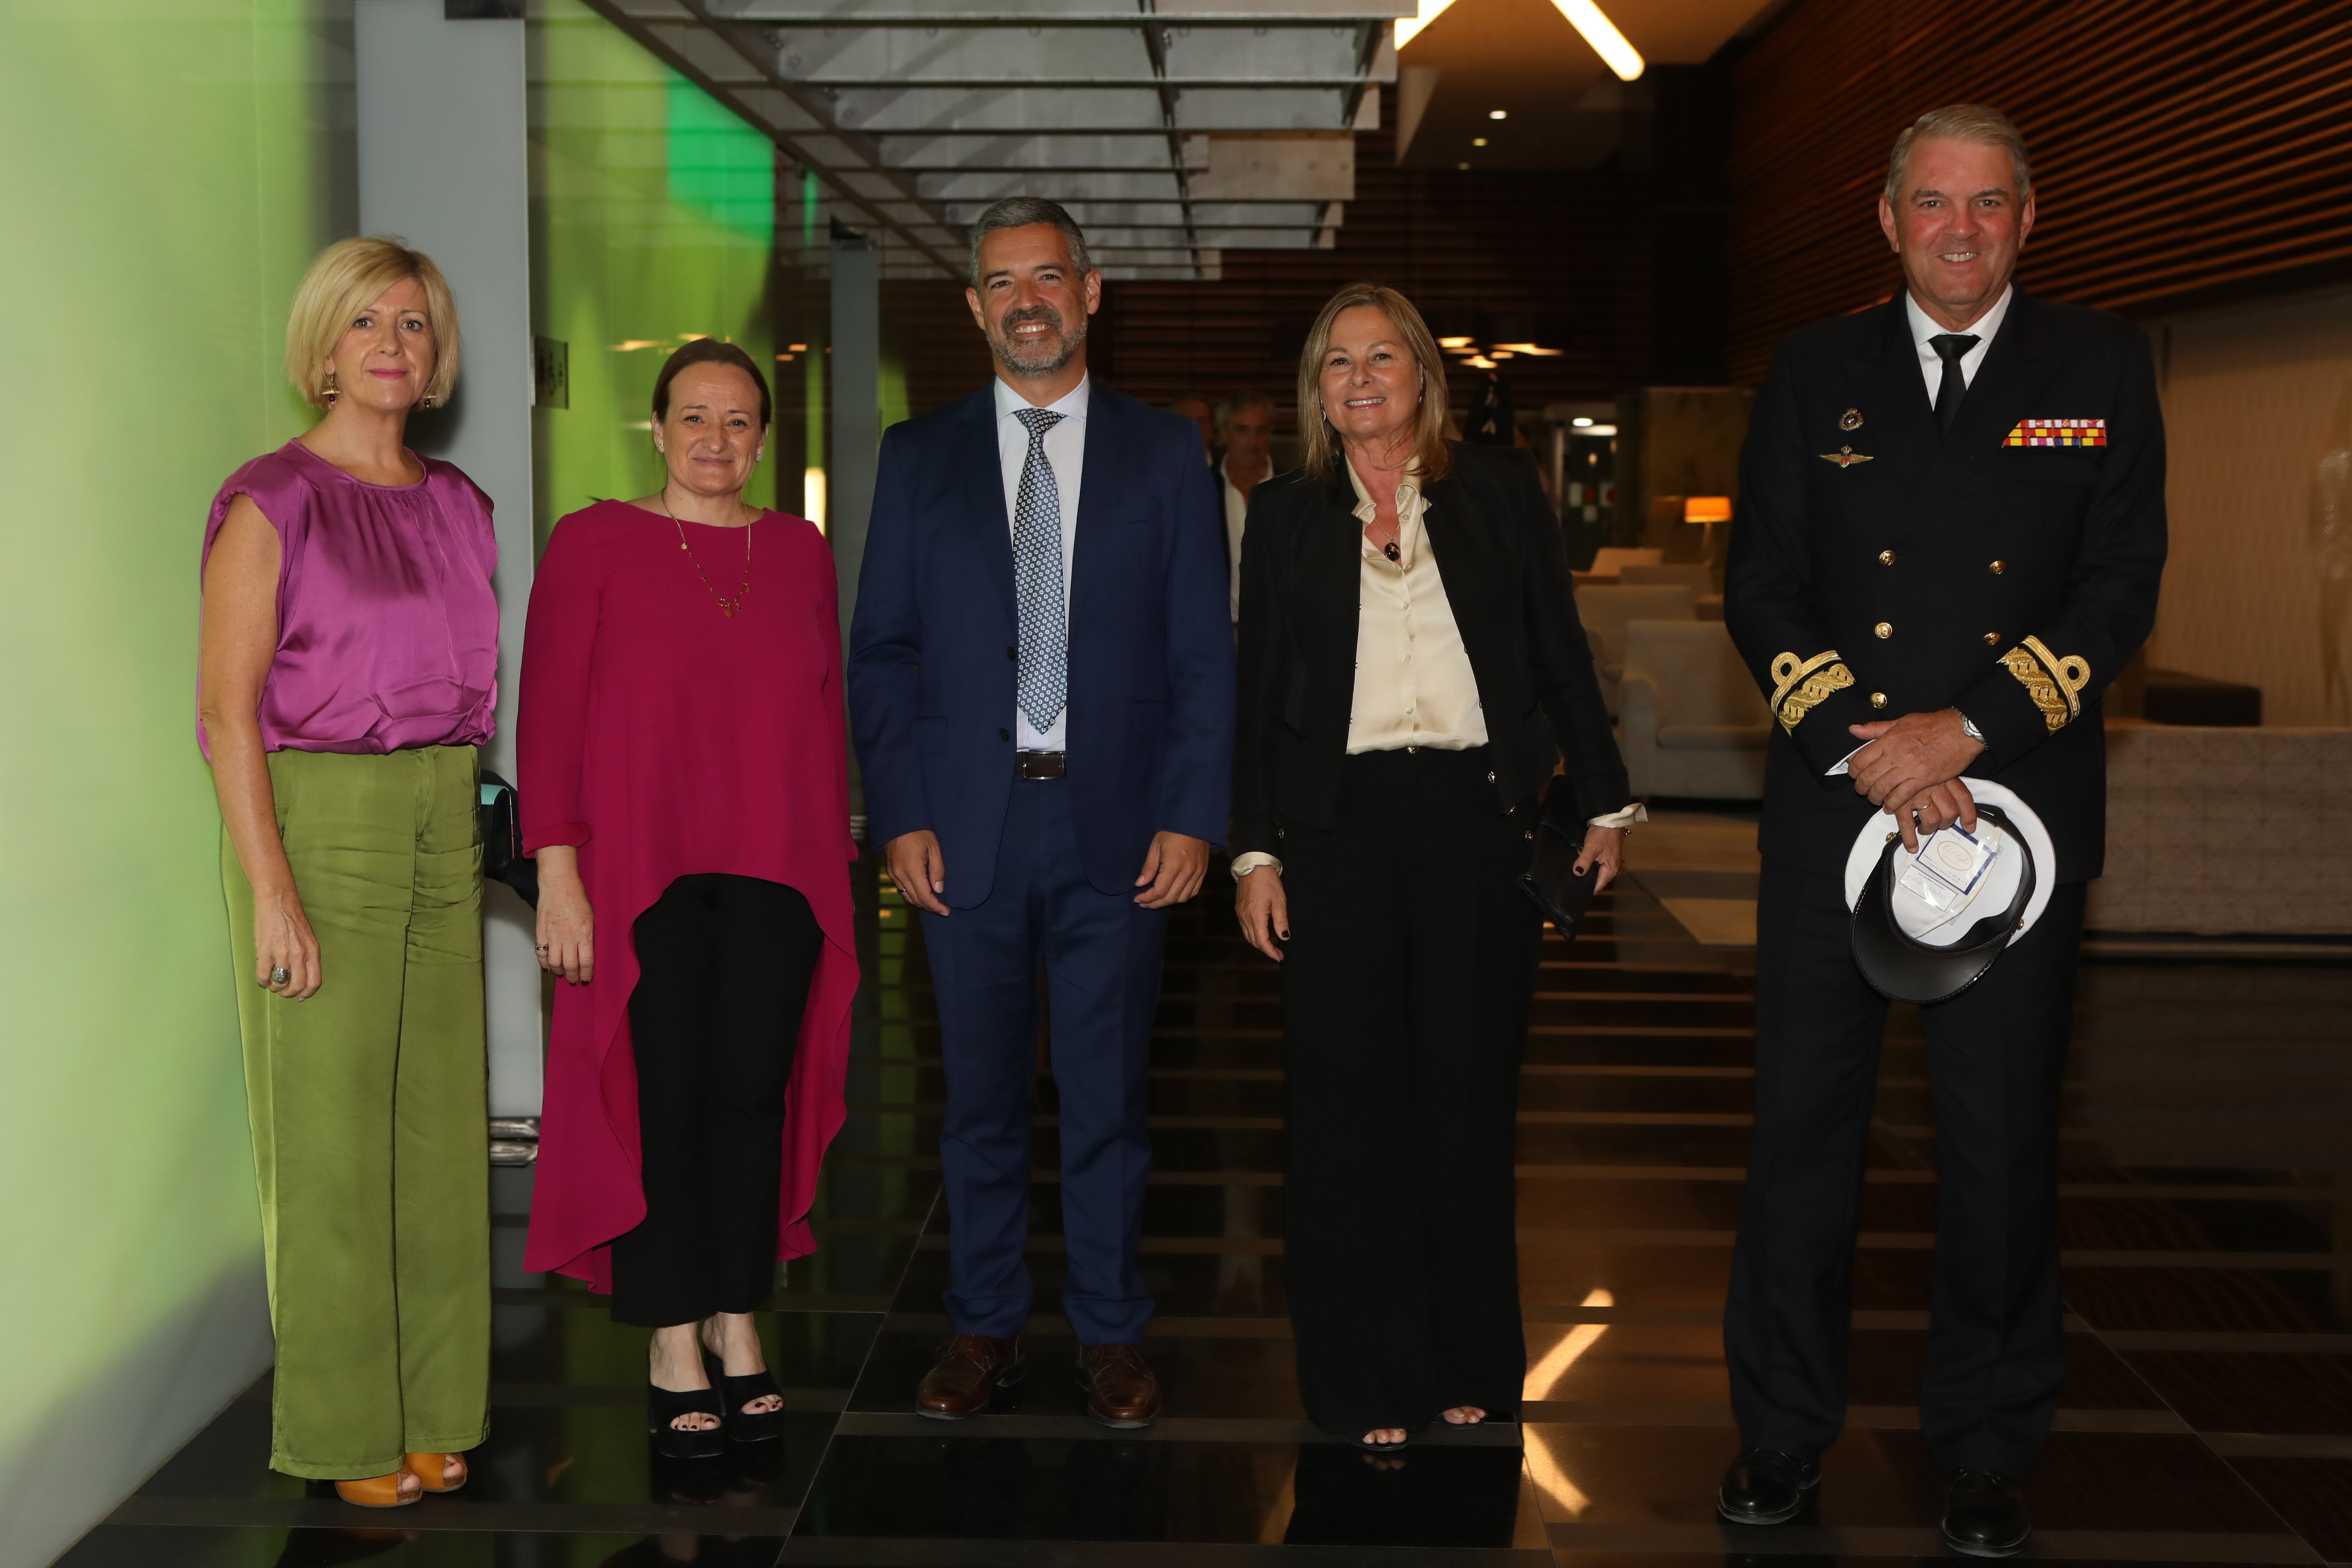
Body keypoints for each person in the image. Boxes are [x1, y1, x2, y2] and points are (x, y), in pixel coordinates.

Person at [1718, 105, 2165, 1556]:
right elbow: (1763, 588)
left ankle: (1985, 1448)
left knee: (1999, 1148)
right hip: (1837, 809)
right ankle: (1782, 1434)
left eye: (1988, 204)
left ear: (2029, 219)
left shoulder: (2098, 367)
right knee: (1801, 1145)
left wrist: (1963, 733)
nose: (1959, 228)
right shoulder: (1811, 371)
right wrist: (1874, 746)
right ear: (1889, 219)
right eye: (1933, 204)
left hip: (2009, 820)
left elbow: (2119, 587)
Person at [1231, 282, 1643, 1451]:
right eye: (1336, 364)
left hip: (1476, 821)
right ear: (1318, 390)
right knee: (1342, 1113)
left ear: (1423, 373)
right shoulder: (1284, 515)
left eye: (1382, 358)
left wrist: (1608, 805)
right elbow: (1257, 694)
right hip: (1333, 831)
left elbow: (1560, 653)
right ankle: (1361, 1376)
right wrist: (1254, 849)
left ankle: (1468, 1359)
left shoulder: (1500, 490)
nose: (1361, 380)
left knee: (1461, 1107)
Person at [848, 197, 1233, 1429]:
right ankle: (984, 1323)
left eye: (1048, 276)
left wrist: (1191, 816)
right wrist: (899, 810)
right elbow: (884, 656)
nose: (1027, 299)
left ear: (1091, 289)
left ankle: (1111, 1332)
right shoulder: (917, 458)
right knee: (974, 1099)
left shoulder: (1167, 453)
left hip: (1117, 830)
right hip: (965, 831)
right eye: (1002, 281)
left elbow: (1200, 657)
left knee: (1111, 1097)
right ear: (973, 306)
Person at [518, 339, 860, 1459]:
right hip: (637, 874)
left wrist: (835, 867)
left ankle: (737, 1313)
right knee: (661, 1100)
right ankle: (672, 1337)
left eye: (740, 421)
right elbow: (550, 717)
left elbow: (826, 720)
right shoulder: (593, 542)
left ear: (763, 439)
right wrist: (556, 871)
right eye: (696, 417)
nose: (718, 439)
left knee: (749, 1100)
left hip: (778, 872)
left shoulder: (801, 551)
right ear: (657, 430)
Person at [198, 236, 493, 1507]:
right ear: (323, 347)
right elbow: (224, 712)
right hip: (317, 820)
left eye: (415, 324)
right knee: (325, 1147)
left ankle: (434, 1406)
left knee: (437, 1141)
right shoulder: (273, 498)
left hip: (441, 813)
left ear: (435, 357)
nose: (393, 342)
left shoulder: (460, 503)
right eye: (366, 321)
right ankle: (339, 1431)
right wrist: (272, 887)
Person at [1216, 392, 1275, 623]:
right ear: (1222, 434)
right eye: (1242, 430)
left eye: (1261, 430)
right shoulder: (1203, 488)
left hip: (1277, 628)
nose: (1253, 441)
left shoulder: (1295, 487)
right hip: (1219, 626)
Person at [1169, 391, 1217, 465]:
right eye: (1186, 422)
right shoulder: (1156, 465)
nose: (1194, 429)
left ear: (1212, 426)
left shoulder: (1227, 465)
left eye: (1202, 422)